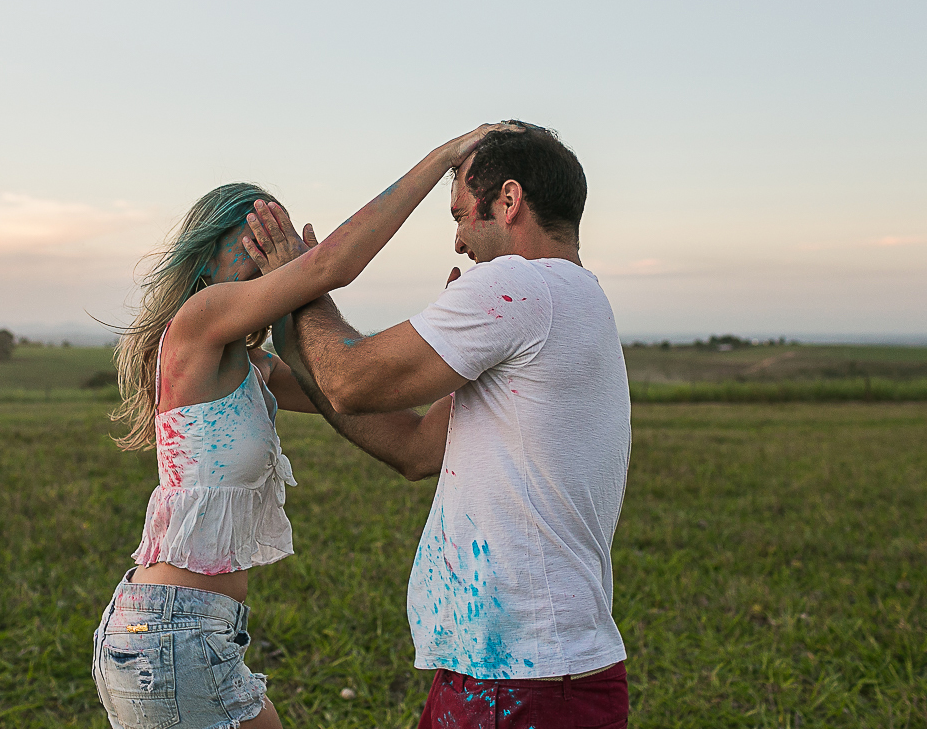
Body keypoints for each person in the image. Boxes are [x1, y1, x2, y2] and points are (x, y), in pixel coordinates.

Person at [92, 123, 509, 729]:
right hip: (169, 632)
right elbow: (332, 268)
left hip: (193, 634)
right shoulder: (198, 321)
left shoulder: (252, 367)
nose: (269, 257)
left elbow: (361, 398)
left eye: (279, 241)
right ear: (205, 257)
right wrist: (443, 157)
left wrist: (460, 348)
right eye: (255, 239)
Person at [250, 122, 632, 728]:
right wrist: (277, 368)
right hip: (521, 670)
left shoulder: (521, 286)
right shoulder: (576, 299)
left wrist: (297, 280)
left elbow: (351, 379)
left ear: (508, 202)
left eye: (459, 214)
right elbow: (415, 448)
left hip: (521, 679)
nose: (457, 243)